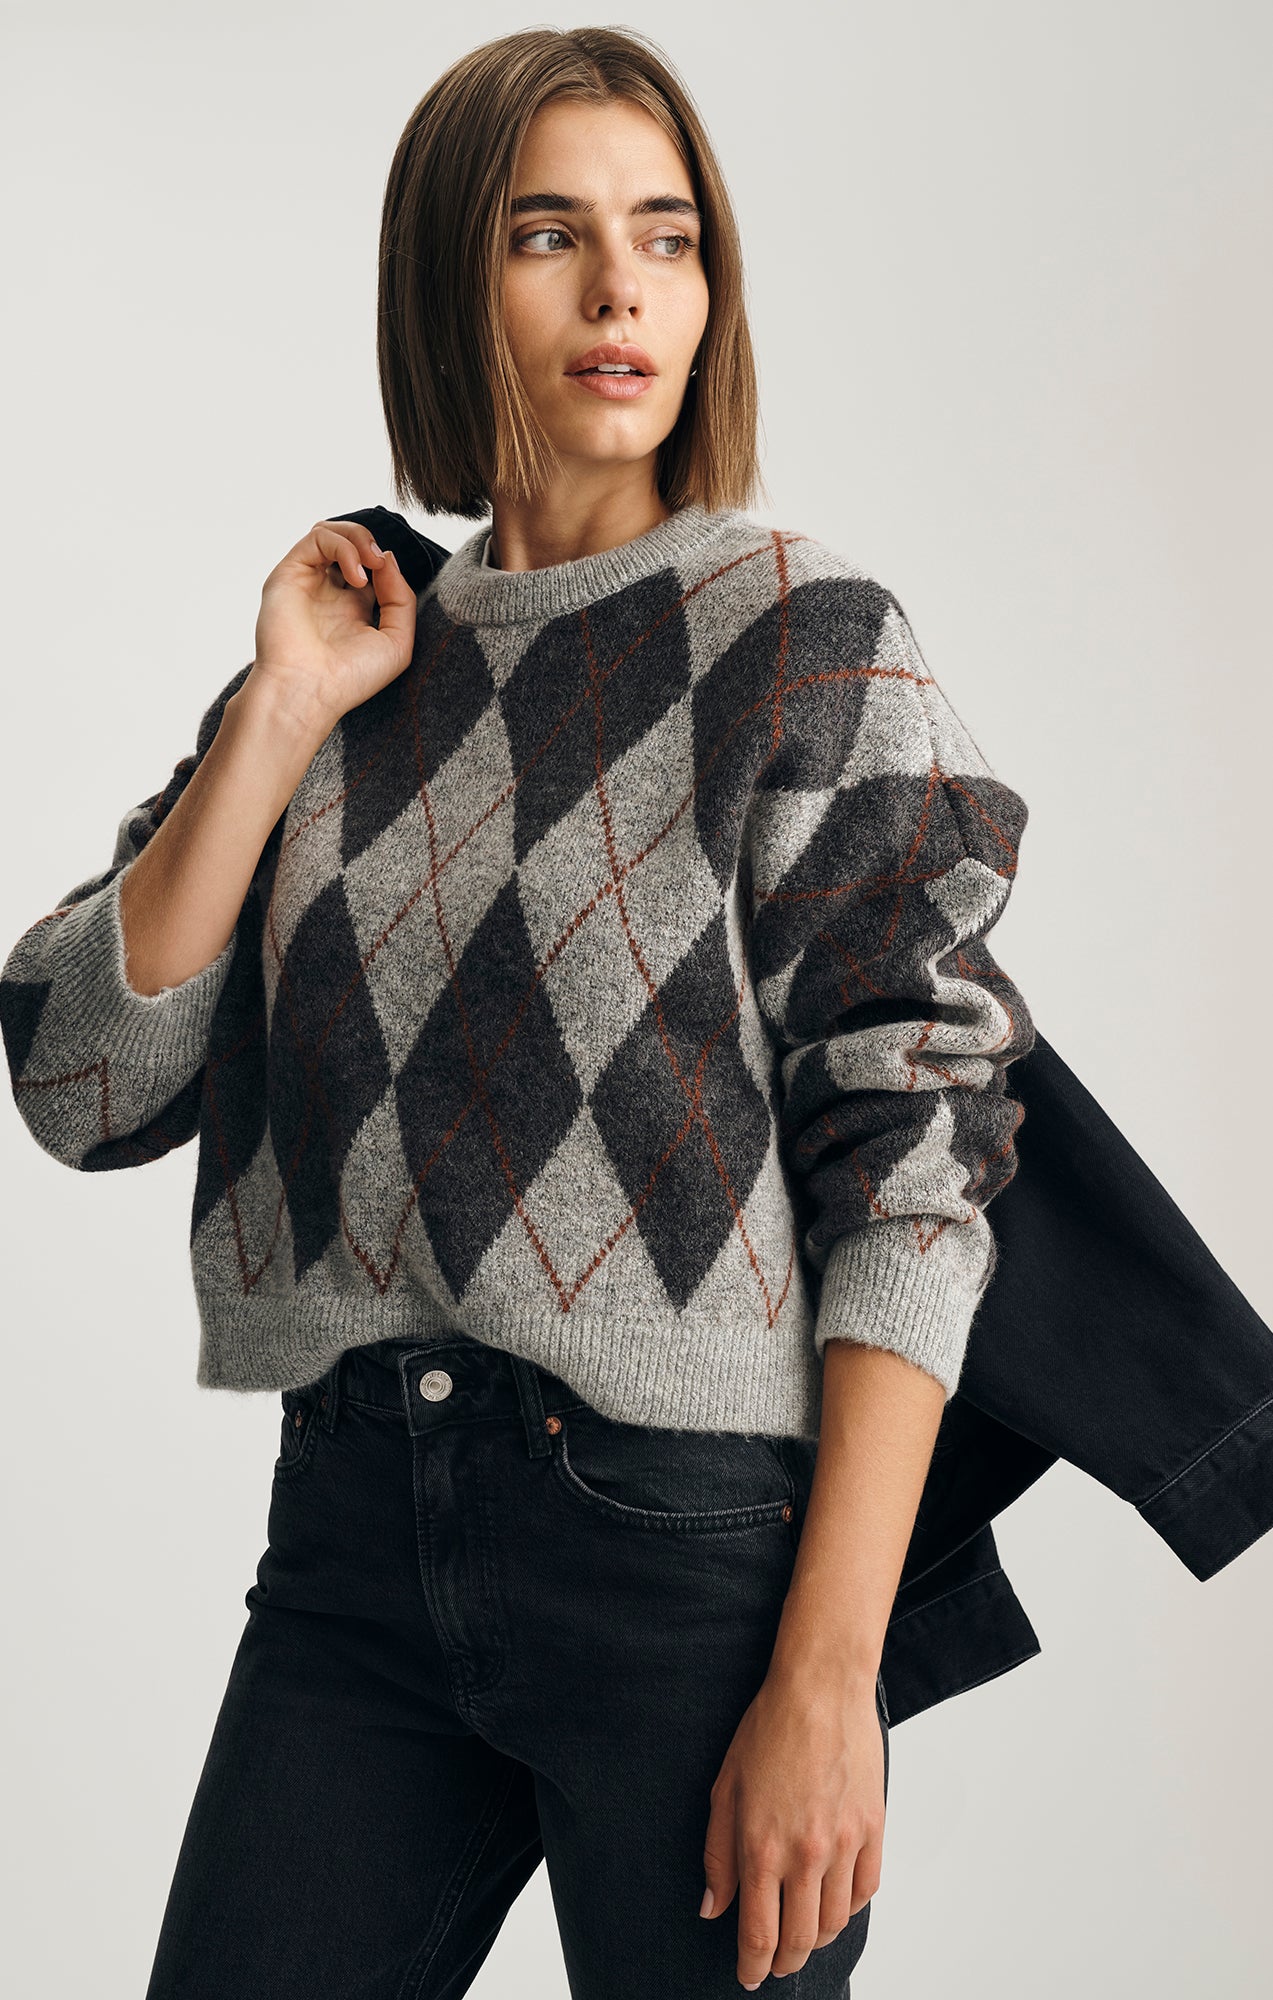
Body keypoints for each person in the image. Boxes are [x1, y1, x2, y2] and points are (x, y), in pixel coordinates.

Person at [0, 26, 1037, 1999]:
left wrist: (831, 1677)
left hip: (684, 1560)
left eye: (666, 237)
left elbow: (913, 1163)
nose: (619, 288)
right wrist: (281, 711)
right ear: (443, 283)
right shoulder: (349, 648)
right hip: (350, 1540)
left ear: (711, 290)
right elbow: (78, 1082)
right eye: (547, 234)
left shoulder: (799, 636)